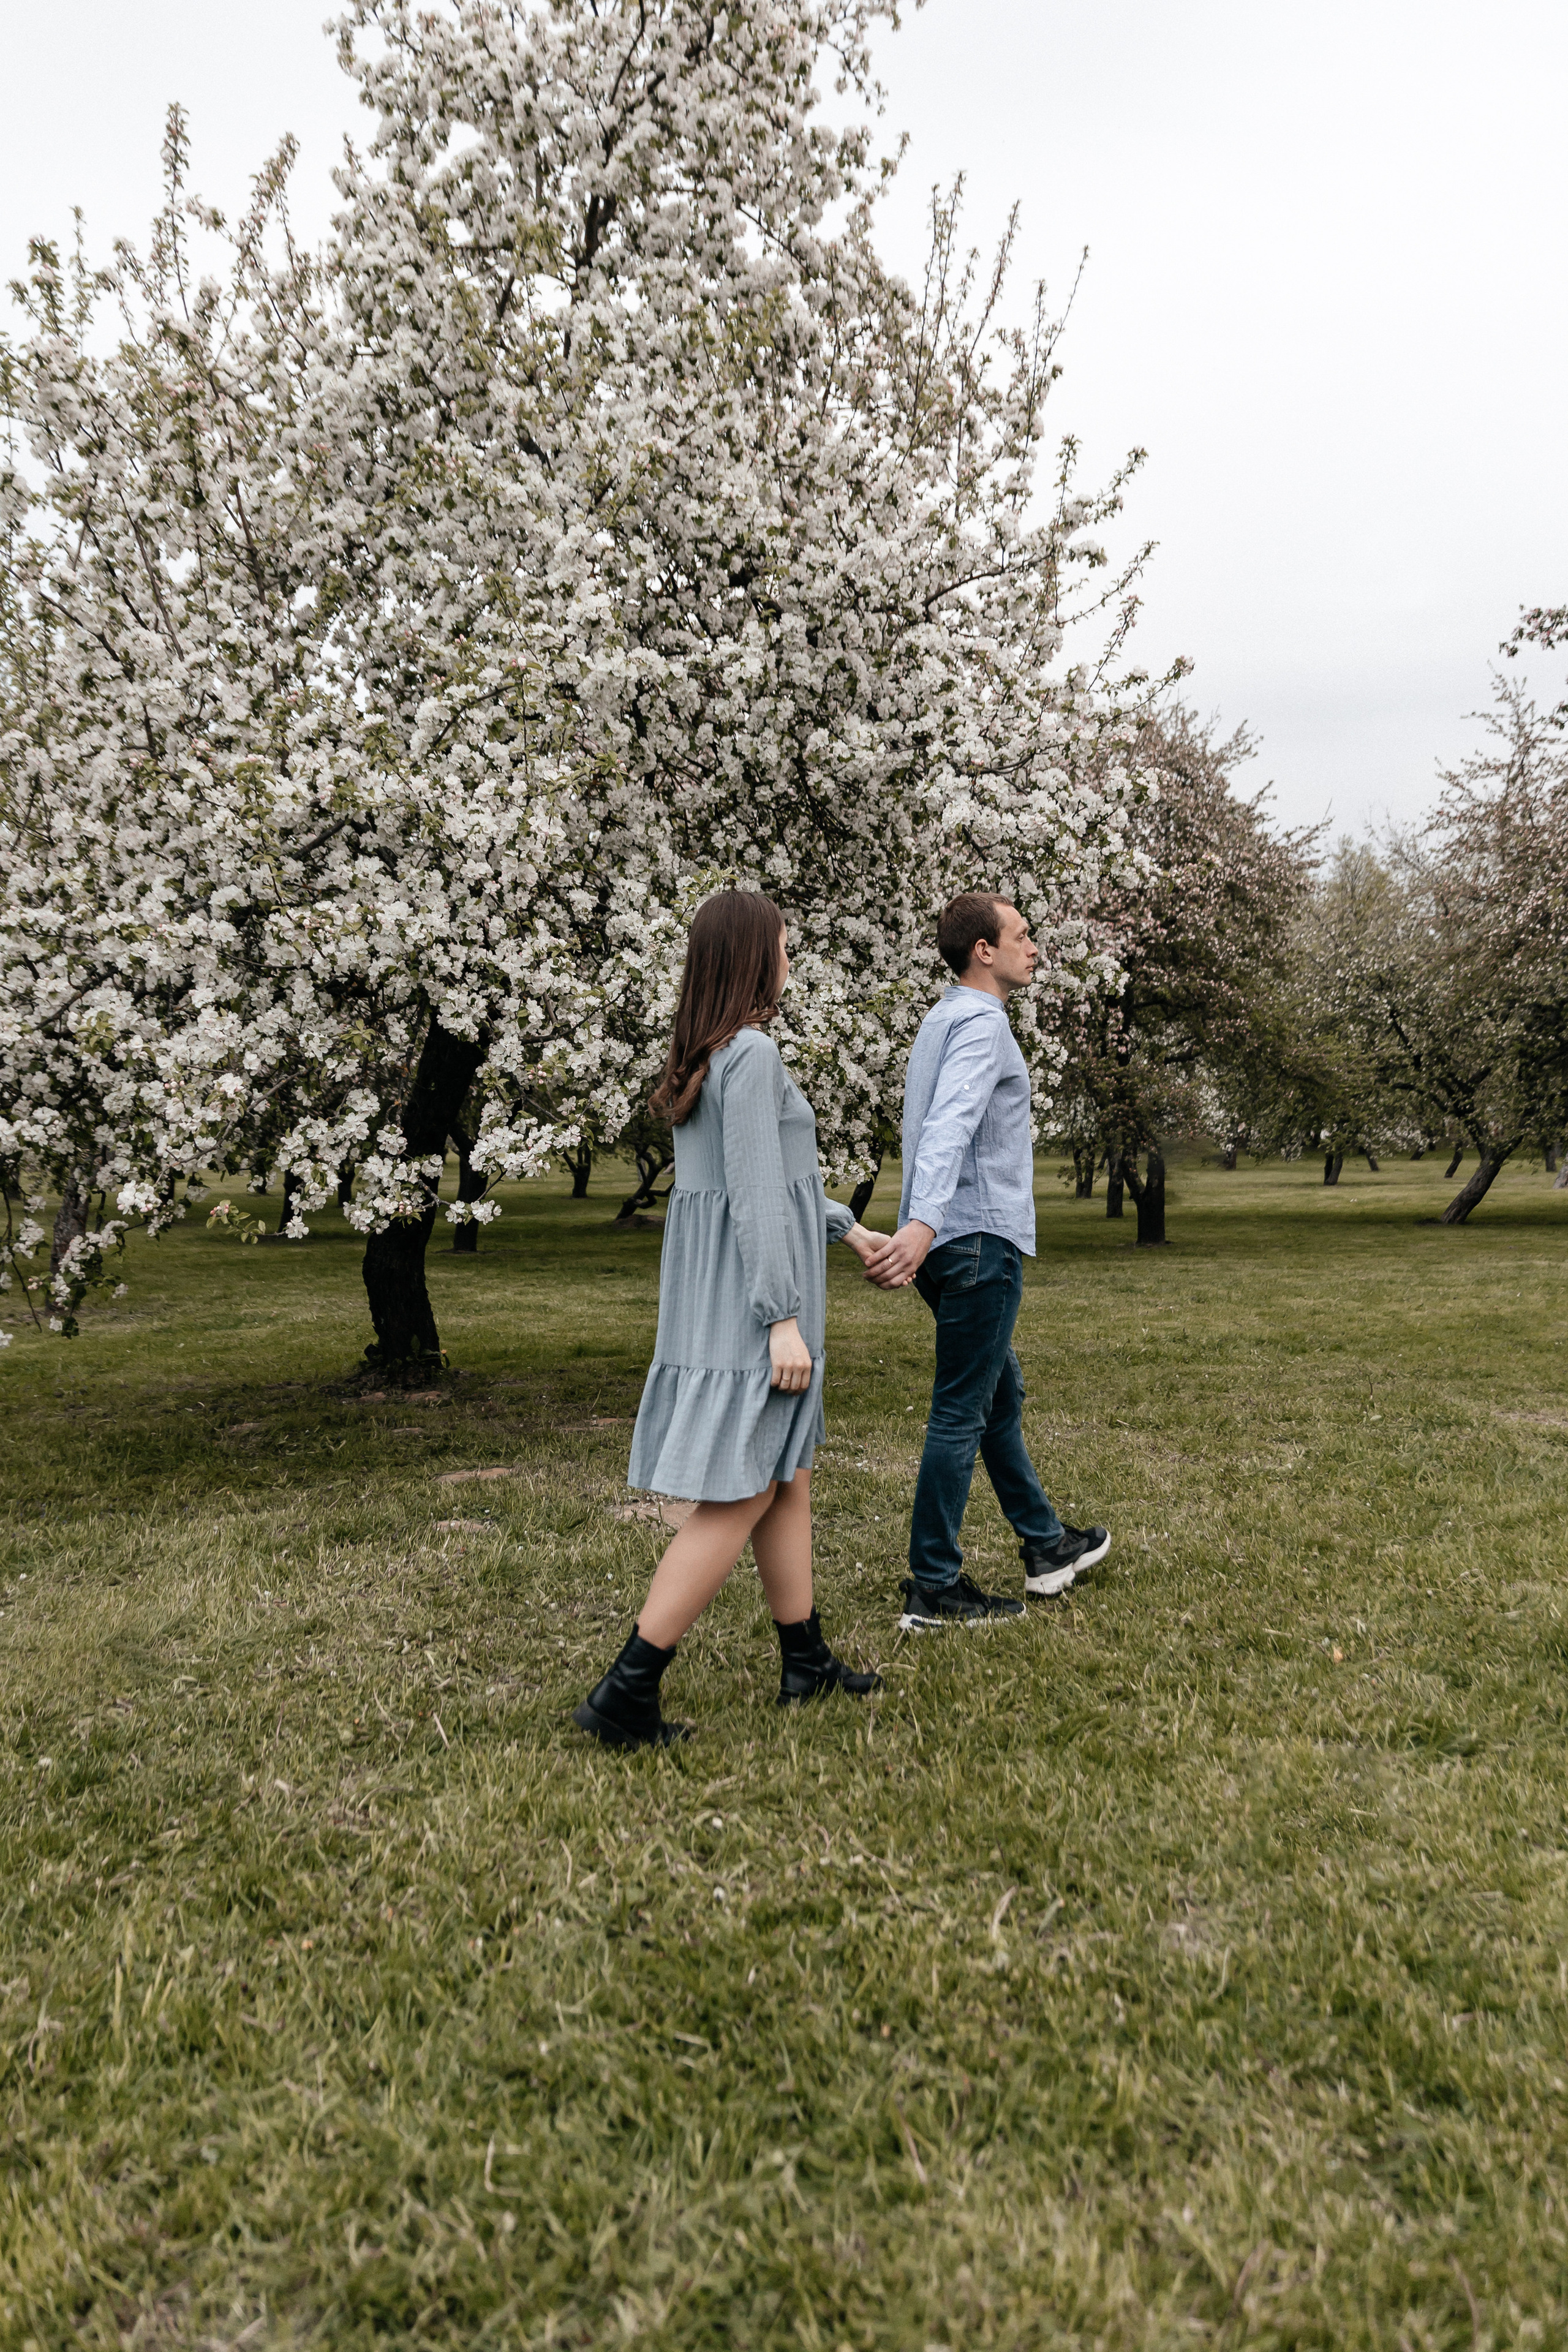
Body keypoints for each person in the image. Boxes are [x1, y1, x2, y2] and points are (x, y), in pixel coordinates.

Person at [574, 890, 886, 1749]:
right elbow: (751, 1197)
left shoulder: (714, 1056)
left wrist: (849, 1228)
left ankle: (806, 1659)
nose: (790, 959)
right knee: (741, 1490)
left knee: (784, 1473)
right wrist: (781, 1319)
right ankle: (625, 1692)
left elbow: (771, 1181)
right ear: (755, 956)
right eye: (784, 945)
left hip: (722, 1294)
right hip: (752, 1305)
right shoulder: (752, 1056)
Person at [864, 891, 1110, 1628]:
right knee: (960, 1412)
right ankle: (933, 1585)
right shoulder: (980, 1024)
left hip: (950, 1244)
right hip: (974, 1241)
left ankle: (1046, 1546)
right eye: (1023, 936)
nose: (1033, 948)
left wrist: (923, 1227)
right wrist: (925, 1223)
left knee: (998, 1397)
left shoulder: (940, 1020)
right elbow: (949, 1125)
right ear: (984, 950)